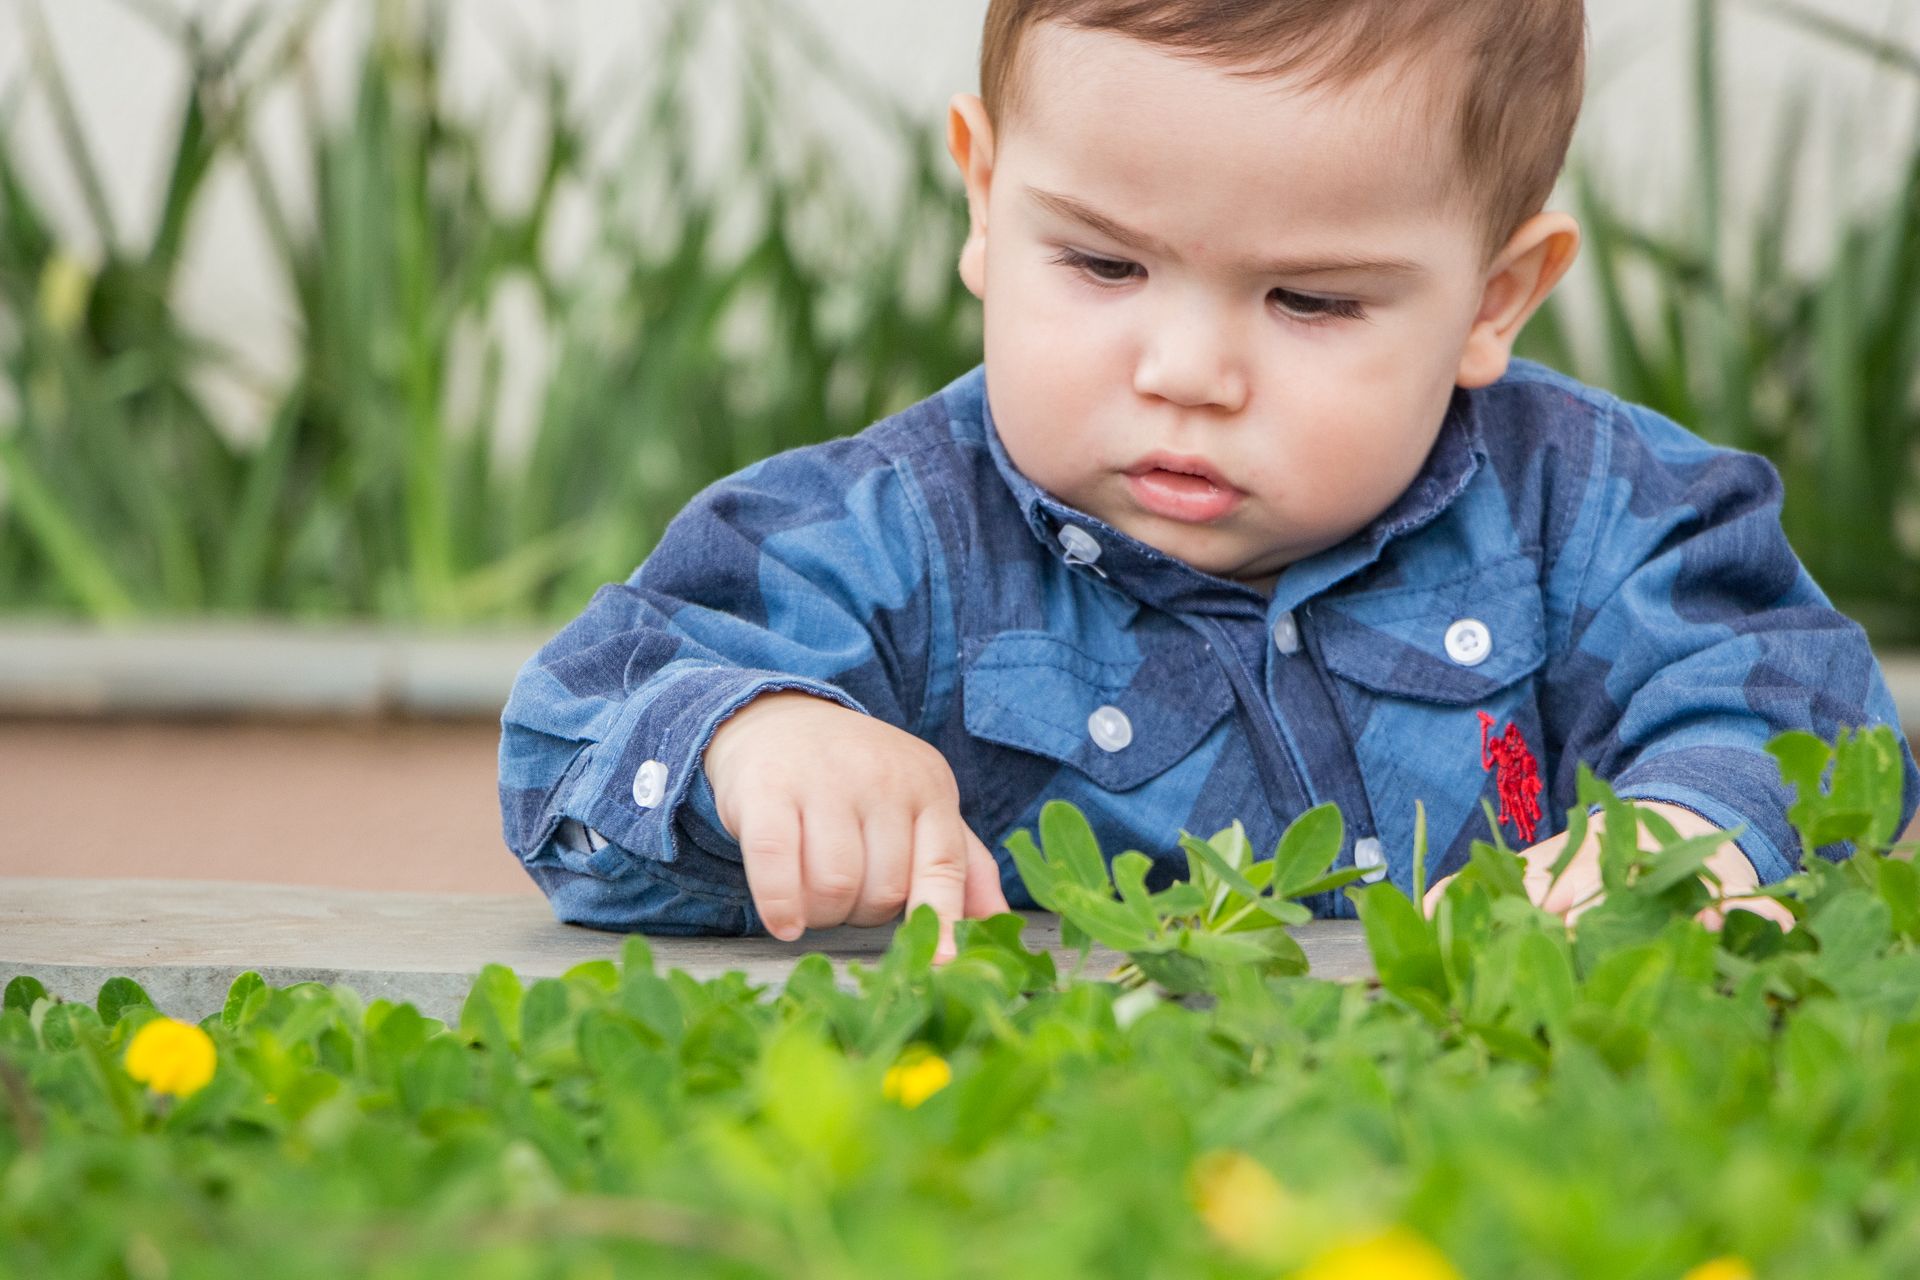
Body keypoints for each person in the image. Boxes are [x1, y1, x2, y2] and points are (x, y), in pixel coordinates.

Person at [498, 0, 1920, 962]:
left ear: (1497, 296)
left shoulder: (1595, 508)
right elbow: (568, 743)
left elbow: (1789, 705)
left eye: (1309, 300)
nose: (1187, 370)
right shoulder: (880, 538)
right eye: (1103, 264)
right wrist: (758, 747)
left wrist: (1689, 833)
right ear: (986, 200)